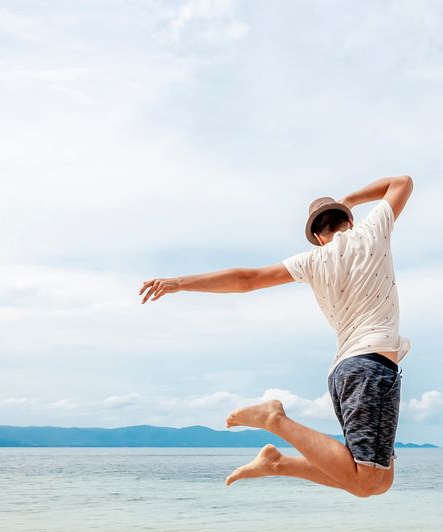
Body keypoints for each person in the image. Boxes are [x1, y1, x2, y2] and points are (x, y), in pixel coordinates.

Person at [138, 175, 414, 498]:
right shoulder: (371, 231)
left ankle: (277, 464)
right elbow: (403, 182)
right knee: (368, 480)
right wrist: (350, 198)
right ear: (350, 221)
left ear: (317, 237)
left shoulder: (312, 261)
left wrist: (178, 283)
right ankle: (275, 419)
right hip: (371, 365)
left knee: (377, 479)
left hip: (345, 372)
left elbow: (247, 279)